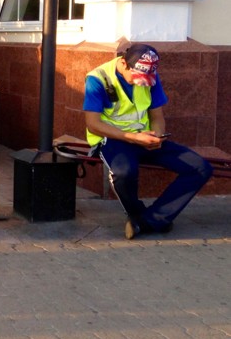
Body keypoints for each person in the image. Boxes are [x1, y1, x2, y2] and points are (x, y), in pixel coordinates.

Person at [83, 42, 213, 239]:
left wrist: (158, 136)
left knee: (200, 167)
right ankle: (143, 216)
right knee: (124, 172)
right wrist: (134, 138)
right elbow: (93, 124)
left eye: (145, 79)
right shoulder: (98, 78)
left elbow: (157, 117)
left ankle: (149, 221)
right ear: (124, 64)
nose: (140, 82)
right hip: (112, 140)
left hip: (145, 138)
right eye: (137, 78)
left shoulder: (151, 77)